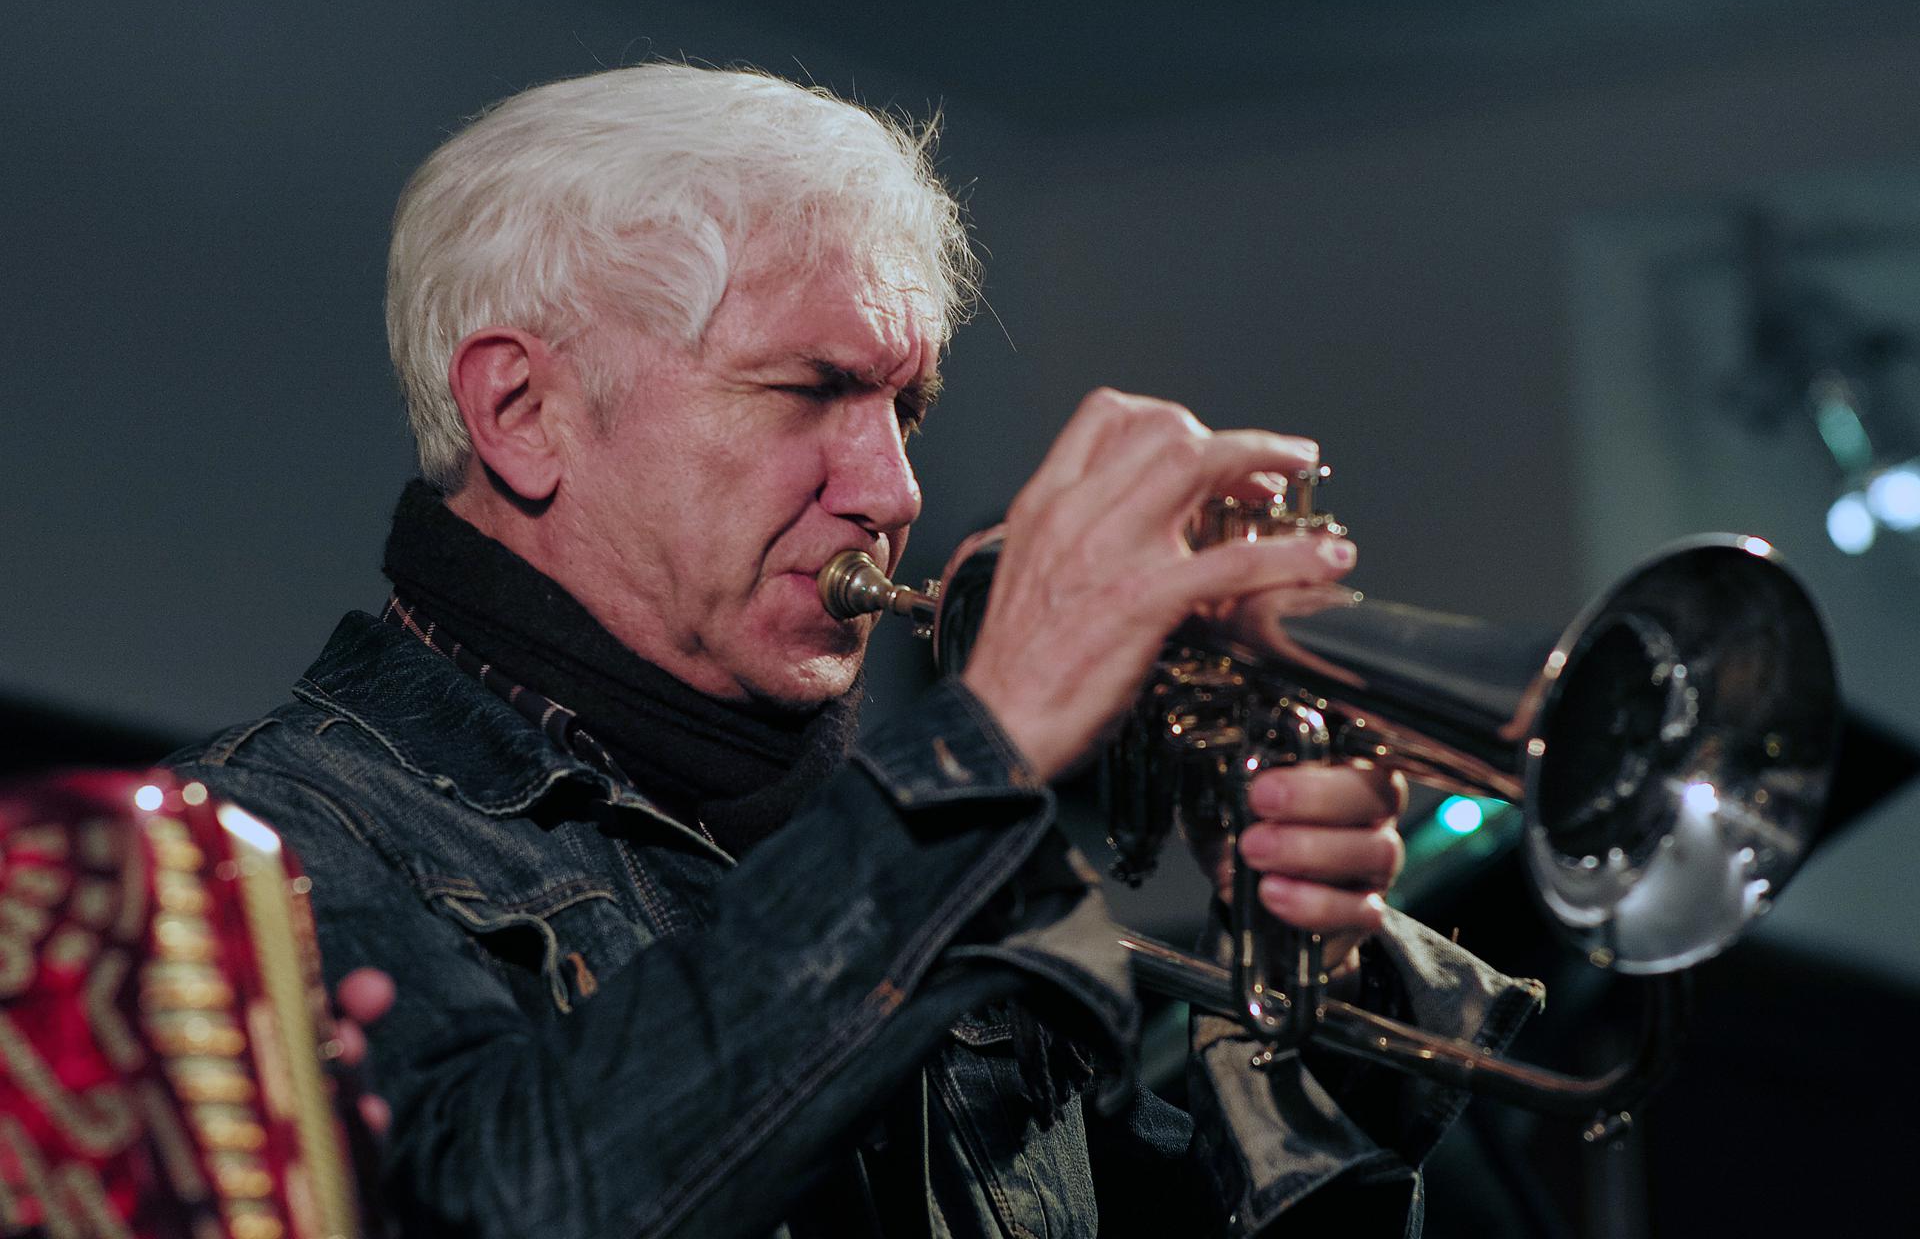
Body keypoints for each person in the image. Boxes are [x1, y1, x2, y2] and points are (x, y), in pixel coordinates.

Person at [170, 64, 1536, 1237]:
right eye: (810, 390)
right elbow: (504, 1204)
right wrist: (981, 756)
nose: (892, 489)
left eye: (905, 405)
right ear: (522, 410)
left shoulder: (947, 872)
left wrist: (1314, 993)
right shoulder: (244, 856)